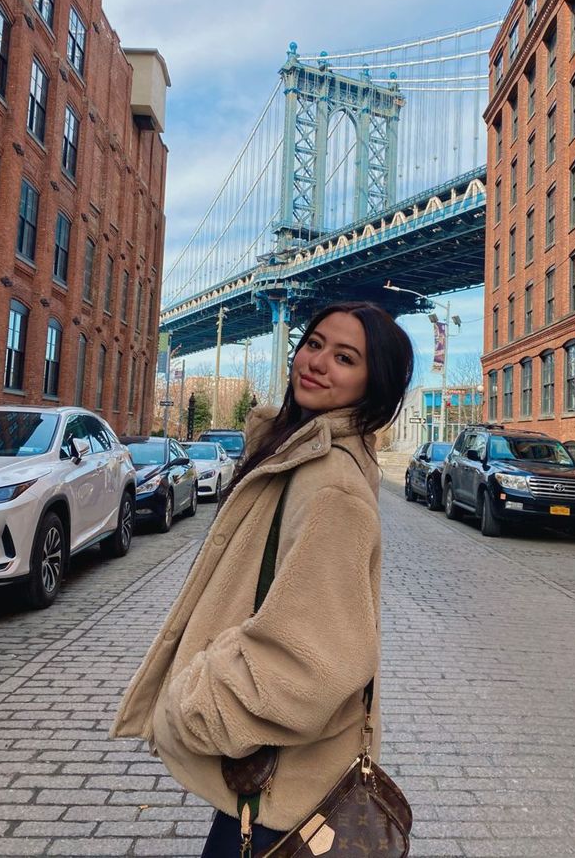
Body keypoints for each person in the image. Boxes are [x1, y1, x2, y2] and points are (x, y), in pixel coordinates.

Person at [111, 301, 414, 856]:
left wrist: (199, 702)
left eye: (344, 357)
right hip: (280, 786)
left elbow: (313, 660)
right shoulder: (299, 454)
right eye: (314, 343)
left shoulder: (331, 487)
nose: (316, 362)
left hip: (282, 794)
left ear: (375, 386)